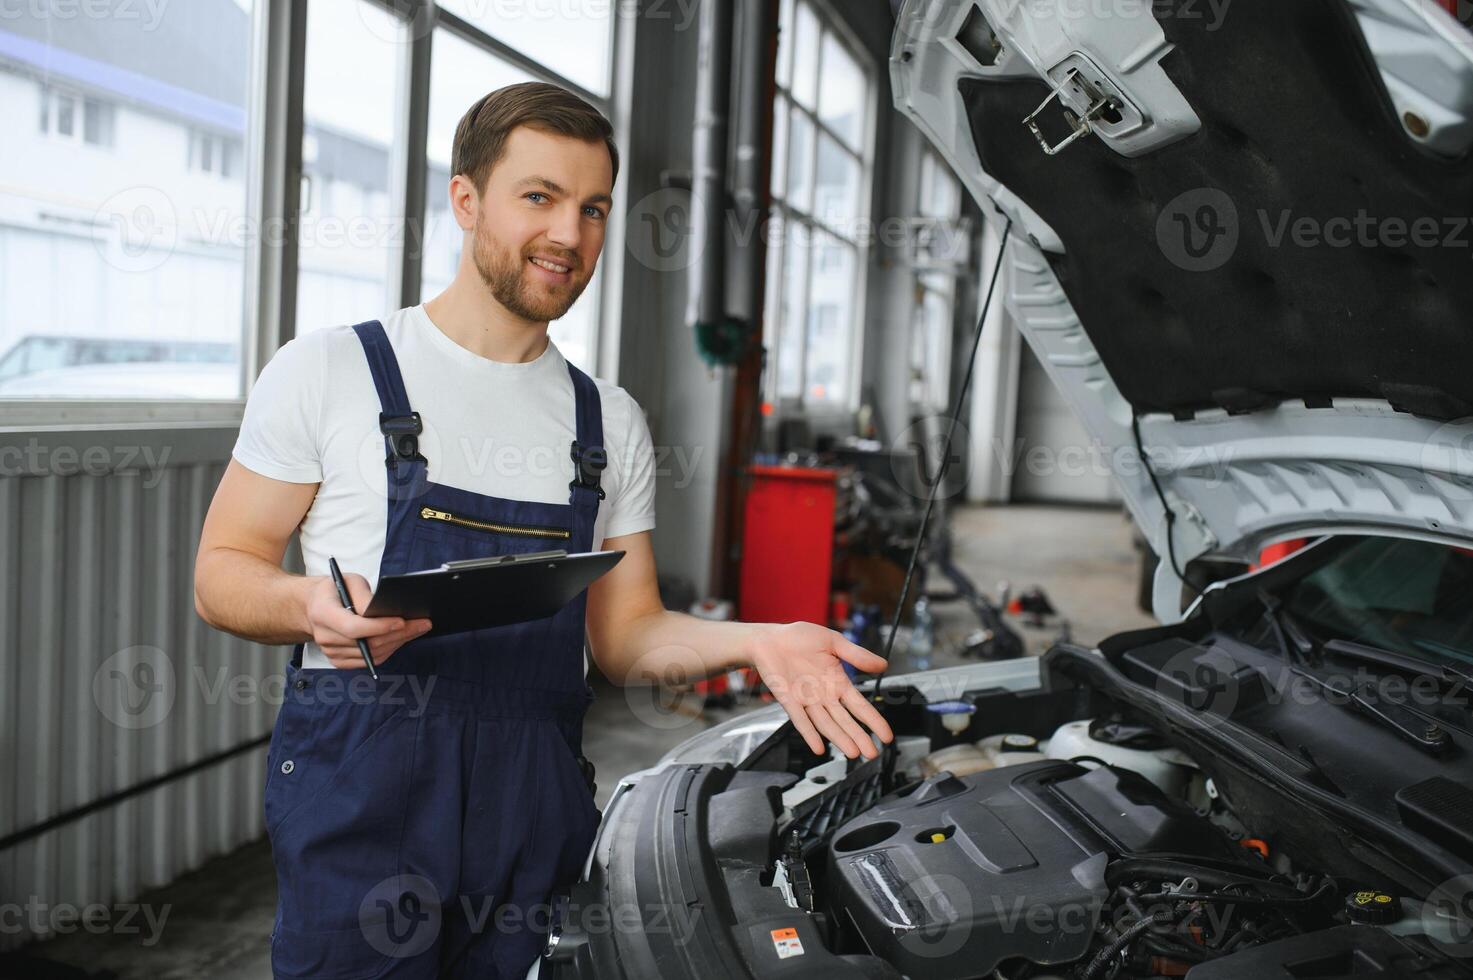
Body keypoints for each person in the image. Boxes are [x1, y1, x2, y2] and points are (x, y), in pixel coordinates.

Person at [194, 81, 893, 979]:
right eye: (539, 197)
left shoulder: (606, 422)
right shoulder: (334, 371)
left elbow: (628, 638)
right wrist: (305, 605)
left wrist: (761, 640)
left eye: (593, 207)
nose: (570, 234)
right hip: (360, 796)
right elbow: (223, 571)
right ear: (465, 199)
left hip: (531, 813)